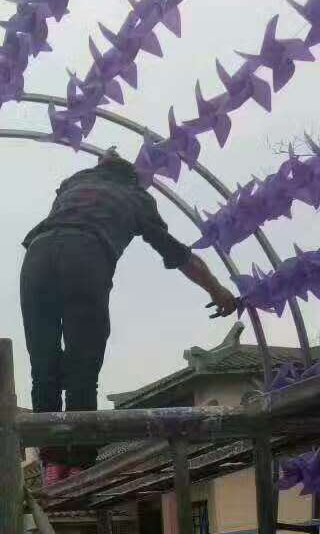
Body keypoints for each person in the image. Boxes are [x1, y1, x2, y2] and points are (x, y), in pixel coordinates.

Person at [21, 150, 240, 487]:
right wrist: (217, 290)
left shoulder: (75, 183)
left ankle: (51, 463)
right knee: (82, 366)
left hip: (37, 257)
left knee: (44, 365)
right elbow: (178, 254)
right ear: (134, 179)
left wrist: (105, 160)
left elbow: (90, 179)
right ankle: (77, 465)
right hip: (85, 255)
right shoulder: (137, 197)